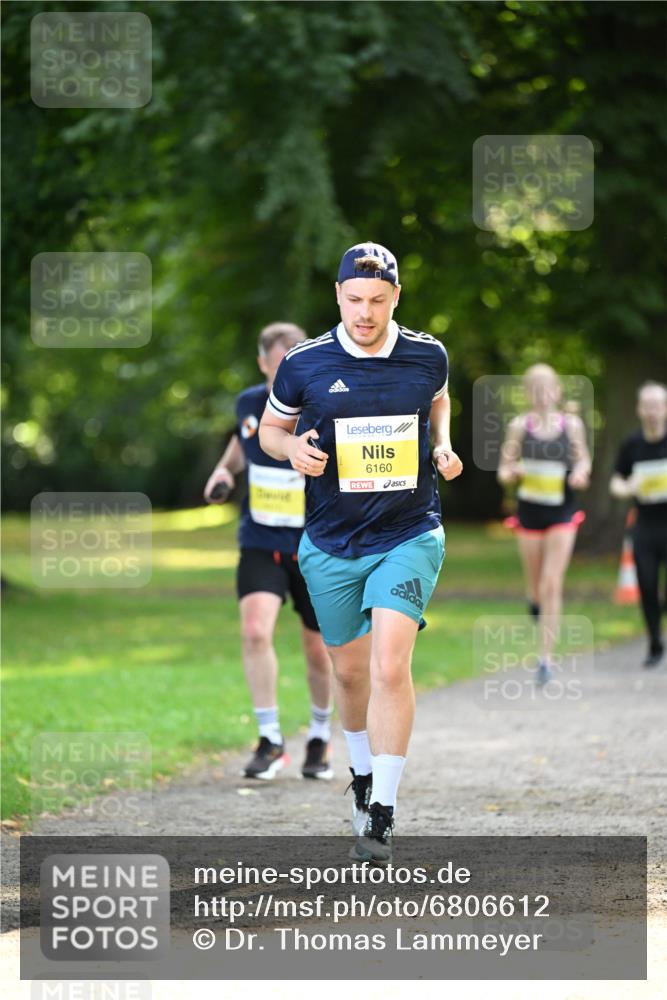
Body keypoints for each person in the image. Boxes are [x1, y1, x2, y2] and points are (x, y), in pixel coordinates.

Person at [258, 242, 462, 863]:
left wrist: (441, 446)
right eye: (354, 301)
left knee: (389, 665)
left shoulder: (428, 354)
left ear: (396, 297)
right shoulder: (305, 363)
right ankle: (362, 773)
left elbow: (439, 398)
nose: (365, 314)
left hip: (409, 532)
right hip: (330, 541)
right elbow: (272, 429)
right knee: (347, 672)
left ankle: (384, 810)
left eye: (377, 301)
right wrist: (293, 452)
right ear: (338, 297)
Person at [204, 322, 334, 780]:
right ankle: (271, 739)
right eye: (278, 363)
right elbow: (240, 447)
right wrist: (223, 472)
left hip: (314, 545)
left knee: (319, 652)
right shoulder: (248, 404)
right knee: (255, 632)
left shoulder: (322, 402)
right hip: (261, 540)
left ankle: (319, 737)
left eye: (294, 361)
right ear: (263, 363)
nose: (286, 373)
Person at [497, 364, 592, 685]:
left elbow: (582, 459)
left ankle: (545, 658)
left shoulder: (572, 425)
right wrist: (512, 473)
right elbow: (504, 468)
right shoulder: (519, 426)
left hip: (562, 512)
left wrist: (581, 472)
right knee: (537, 585)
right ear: (527, 393)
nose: (541, 395)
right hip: (529, 514)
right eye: (534, 389)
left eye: (547, 388)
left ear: (557, 391)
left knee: (553, 581)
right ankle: (534, 601)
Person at [610, 381, 667, 668]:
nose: (653, 412)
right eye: (648, 406)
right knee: (646, 585)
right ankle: (655, 641)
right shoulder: (632, 444)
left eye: (658, 405)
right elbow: (616, 483)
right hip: (645, 526)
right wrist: (629, 486)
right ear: (640, 410)